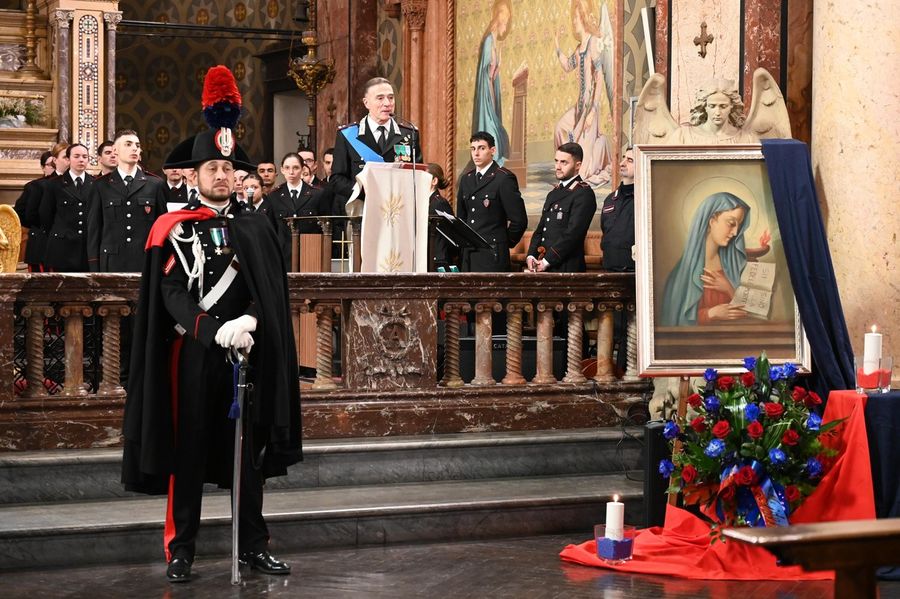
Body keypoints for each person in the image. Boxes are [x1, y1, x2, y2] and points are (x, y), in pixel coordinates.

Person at [123, 126, 300, 584]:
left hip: (246, 352)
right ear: (195, 174)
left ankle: (253, 546)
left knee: (248, 456)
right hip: (195, 354)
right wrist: (213, 329)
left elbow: (272, 287)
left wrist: (251, 321)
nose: (222, 176)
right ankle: (182, 549)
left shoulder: (257, 224)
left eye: (228, 168)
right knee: (190, 451)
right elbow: (170, 291)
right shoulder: (175, 227)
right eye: (213, 169)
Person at [661, 192, 753, 326]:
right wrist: (711, 314)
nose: (735, 232)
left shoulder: (735, 266)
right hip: (699, 343)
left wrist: (729, 289)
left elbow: (749, 313)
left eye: (739, 225)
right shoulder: (680, 276)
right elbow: (673, 322)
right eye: (731, 223)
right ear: (711, 221)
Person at [331, 77, 422, 212]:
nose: (387, 103)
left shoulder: (409, 134)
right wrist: (363, 190)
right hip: (363, 211)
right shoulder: (349, 135)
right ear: (366, 103)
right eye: (380, 98)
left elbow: (418, 174)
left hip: (397, 210)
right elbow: (336, 179)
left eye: (391, 98)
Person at [86, 129, 168, 273]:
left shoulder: (155, 184)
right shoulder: (100, 185)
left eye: (137, 145)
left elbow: (162, 228)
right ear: (115, 151)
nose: (135, 148)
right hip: (111, 263)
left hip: (145, 261)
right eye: (128, 144)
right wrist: (94, 266)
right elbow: (94, 230)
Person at [553, 0, 614, 185]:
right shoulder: (580, 47)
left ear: (584, 18)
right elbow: (567, 66)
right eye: (573, 18)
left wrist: (594, 111)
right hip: (580, 105)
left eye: (577, 18)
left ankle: (601, 144)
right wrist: (557, 46)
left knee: (585, 171)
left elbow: (600, 78)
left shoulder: (594, 43)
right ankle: (564, 169)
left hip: (590, 107)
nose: (574, 22)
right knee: (560, 127)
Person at [456, 131, 527, 272]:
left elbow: (519, 220)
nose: (476, 153)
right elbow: (462, 218)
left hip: (493, 255)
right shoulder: (466, 179)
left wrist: (503, 242)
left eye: (481, 148)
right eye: (473, 149)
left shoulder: (503, 178)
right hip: (468, 255)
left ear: (492, 150)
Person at [526, 142, 596, 273]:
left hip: (567, 267)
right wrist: (531, 255)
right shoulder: (553, 193)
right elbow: (541, 229)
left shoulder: (583, 193)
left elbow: (573, 234)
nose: (558, 167)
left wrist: (547, 261)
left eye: (564, 162)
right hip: (544, 265)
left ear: (578, 165)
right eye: (556, 161)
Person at [38, 143, 94, 272]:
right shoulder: (54, 184)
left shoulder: (95, 184)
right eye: (77, 156)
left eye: (85, 156)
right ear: (68, 159)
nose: (81, 159)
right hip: (62, 248)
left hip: (87, 248)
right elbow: (46, 216)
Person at [471, 0, 512, 166]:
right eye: (504, 16)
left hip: (491, 93)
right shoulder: (489, 41)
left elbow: (492, 73)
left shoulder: (494, 41)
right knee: (494, 130)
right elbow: (487, 74)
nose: (506, 21)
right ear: (498, 16)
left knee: (499, 131)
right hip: (488, 94)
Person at [268, 152, 325, 264]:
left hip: (310, 252)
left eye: (296, 168)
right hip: (283, 255)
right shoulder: (274, 196)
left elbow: (324, 227)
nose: (291, 172)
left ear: (303, 169)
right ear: (282, 170)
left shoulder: (317, 194)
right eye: (287, 168)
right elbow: (271, 229)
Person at [665, 79, 757, 144]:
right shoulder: (683, 137)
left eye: (723, 106)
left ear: (731, 106)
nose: (717, 112)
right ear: (704, 106)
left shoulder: (746, 139)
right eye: (712, 106)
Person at [14, 150, 57, 271]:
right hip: (40, 242)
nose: (53, 168)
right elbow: (22, 213)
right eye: (50, 165)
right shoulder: (34, 186)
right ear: (43, 168)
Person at [599, 148, 635, 271]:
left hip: (634, 269)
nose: (622, 163)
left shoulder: (645, 198)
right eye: (623, 158)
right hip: (609, 266)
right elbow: (605, 229)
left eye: (630, 160)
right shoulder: (610, 199)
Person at [425, 163, 456, 271]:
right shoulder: (424, 202)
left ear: (434, 181)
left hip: (438, 261)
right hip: (427, 259)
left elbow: (450, 234)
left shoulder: (439, 203)